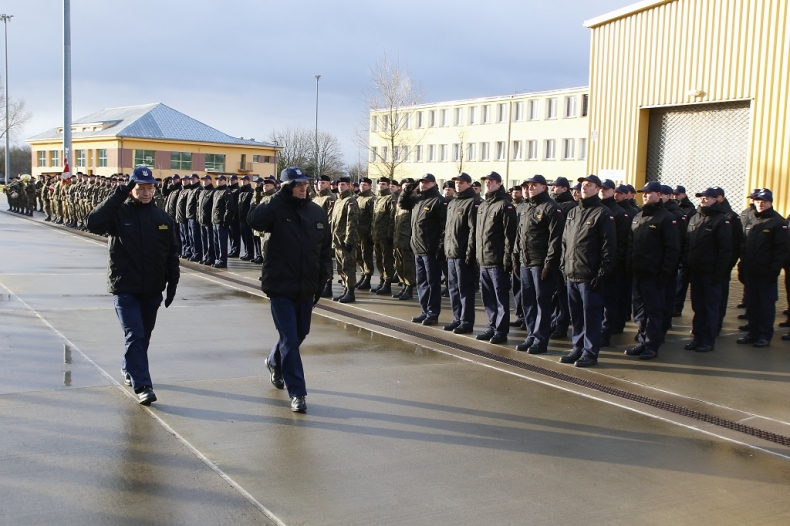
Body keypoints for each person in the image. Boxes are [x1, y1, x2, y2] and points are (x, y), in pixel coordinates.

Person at [85, 166, 179, 405]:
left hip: (151, 291)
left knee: (142, 337)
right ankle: (143, 386)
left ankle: (129, 367)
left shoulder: (163, 218)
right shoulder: (119, 214)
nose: (146, 192)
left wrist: (172, 285)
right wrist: (119, 193)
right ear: (131, 189)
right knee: (134, 334)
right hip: (125, 288)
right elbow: (93, 223)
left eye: (149, 188)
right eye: (140, 188)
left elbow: (171, 254)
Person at [247, 167, 332, 413]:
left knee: (299, 334)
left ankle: (274, 361)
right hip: (281, 285)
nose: (303, 188)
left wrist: (323, 280)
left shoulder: (316, 211)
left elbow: (325, 249)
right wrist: (277, 196)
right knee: (289, 339)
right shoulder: (276, 210)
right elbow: (254, 220)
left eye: (305, 184)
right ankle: (298, 393)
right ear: (285, 186)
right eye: (296, 184)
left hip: (307, 286)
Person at [559, 175, 615, 367]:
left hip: (589, 275)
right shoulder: (573, 212)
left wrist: (601, 273)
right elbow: (565, 242)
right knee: (576, 315)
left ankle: (590, 352)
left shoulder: (602, 213)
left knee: (591, 316)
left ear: (597, 189)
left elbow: (608, 247)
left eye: (589, 185)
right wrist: (563, 265)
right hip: (571, 273)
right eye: (583, 185)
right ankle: (578, 347)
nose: (585, 188)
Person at [624, 182, 680, 360]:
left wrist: (664, 274)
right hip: (638, 273)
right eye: (644, 193)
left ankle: (652, 345)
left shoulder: (666, 218)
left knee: (654, 312)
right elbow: (631, 244)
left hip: (654, 275)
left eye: (649, 193)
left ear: (658, 194)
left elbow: (672, 249)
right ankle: (641, 341)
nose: (646, 196)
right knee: (639, 312)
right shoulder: (638, 216)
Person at [515, 174, 564, 353]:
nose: (529, 189)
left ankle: (540, 339)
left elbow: (555, 239)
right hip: (525, 261)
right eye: (527, 186)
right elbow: (520, 235)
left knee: (542, 302)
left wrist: (549, 264)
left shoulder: (551, 208)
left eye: (534, 186)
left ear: (544, 187)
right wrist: (516, 257)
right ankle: (531, 336)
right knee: (527, 301)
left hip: (540, 263)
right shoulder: (526, 208)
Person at [737, 189, 789, 347]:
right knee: (752, 304)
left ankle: (764, 336)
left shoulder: (777, 222)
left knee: (766, 305)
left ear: (770, 203)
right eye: (758, 201)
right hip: (751, 271)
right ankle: (752, 332)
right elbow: (745, 245)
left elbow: (781, 250)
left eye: (764, 202)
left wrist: (774, 271)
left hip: (766, 273)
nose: (760, 204)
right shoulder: (752, 219)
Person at [683, 188, 732, 353]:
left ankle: (708, 340)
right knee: (698, 308)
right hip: (695, 272)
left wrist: (719, 273)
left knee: (710, 308)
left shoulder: (721, 221)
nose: (703, 200)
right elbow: (687, 244)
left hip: (710, 273)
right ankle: (697, 337)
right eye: (701, 197)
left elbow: (725, 250)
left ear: (715, 200)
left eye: (707, 198)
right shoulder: (695, 218)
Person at [475, 171, 517, 344]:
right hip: (484, 259)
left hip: (497, 260)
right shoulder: (484, 206)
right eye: (487, 181)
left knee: (500, 298)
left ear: (499, 184)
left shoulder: (505, 205)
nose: (489, 184)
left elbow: (510, 236)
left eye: (492, 181)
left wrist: (507, 258)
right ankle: (492, 326)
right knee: (488, 297)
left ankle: (501, 330)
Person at [399, 173, 447, 325]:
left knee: (433, 284)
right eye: (421, 182)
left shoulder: (438, 201)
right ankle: (425, 310)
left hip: (430, 250)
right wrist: (407, 189)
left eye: (427, 182)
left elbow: (443, 227)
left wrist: (440, 248)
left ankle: (433, 313)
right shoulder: (418, 200)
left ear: (434, 184)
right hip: (417, 248)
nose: (423, 185)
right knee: (421, 283)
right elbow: (402, 203)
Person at [443, 173, 479, 334]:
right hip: (451, 252)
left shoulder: (472, 202)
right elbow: (448, 229)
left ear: (469, 184)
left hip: (463, 253)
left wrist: (470, 253)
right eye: (456, 182)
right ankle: (457, 318)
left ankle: (466, 321)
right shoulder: (452, 203)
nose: (458, 185)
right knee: (453, 288)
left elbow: (473, 231)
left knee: (465, 289)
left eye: (462, 182)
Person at [329, 176, 359, 303]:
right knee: (341, 268)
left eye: (343, 185)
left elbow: (351, 222)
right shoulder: (338, 201)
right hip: (337, 240)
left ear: (349, 186)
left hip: (346, 241)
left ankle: (350, 292)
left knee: (349, 267)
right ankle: (345, 290)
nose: (341, 187)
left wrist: (349, 240)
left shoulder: (350, 201)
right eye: (339, 185)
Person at [371, 177, 396, 295]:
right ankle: (381, 280)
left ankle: (387, 282)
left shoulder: (390, 198)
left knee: (387, 260)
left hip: (385, 236)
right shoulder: (377, 199)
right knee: (379, 260)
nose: (381, 186)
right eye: (379, 184)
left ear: (387, 186)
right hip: (377, 235)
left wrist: (390, 235)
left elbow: (392, 218)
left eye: (383, 184)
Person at [355, 177, 376, 290]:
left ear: (370, 186)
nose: (363, 187)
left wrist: (371, 233)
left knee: (366, 255)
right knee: (358, 256)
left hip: (366, 232)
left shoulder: (371, 199)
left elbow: (374, 217)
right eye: (361, 185)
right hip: (357, 232)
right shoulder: (357, 198)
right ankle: (363, 274)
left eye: (365, 185)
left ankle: (367, 277)